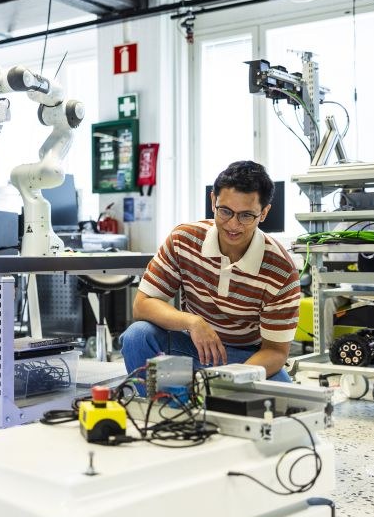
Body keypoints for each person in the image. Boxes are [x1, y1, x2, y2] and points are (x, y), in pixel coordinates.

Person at [120, 160, 300, 386]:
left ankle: (209, 400)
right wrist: (193, 322)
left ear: (263, 213)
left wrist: (230, 381)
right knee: (138, 336)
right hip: (191, 348)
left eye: (246, 216)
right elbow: (142, 304)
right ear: (213, 200)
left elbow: (275, 352)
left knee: (281, 386)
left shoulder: (281, 270)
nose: (233, 225)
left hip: (246, 357)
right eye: (225, 211)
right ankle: (167, 410)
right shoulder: (184, 239)